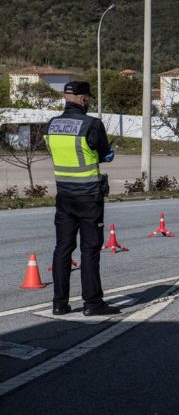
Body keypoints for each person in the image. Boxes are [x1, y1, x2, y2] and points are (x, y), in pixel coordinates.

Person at [44, 81, 118, 316]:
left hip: (64, 196)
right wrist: (105, 154)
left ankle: (59, 303)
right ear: (84, 100)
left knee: (63, 248)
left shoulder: (51, 125)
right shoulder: (92, 124)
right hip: (88, 196)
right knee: (90, 249)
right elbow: (106, 154)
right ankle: (92, 303)